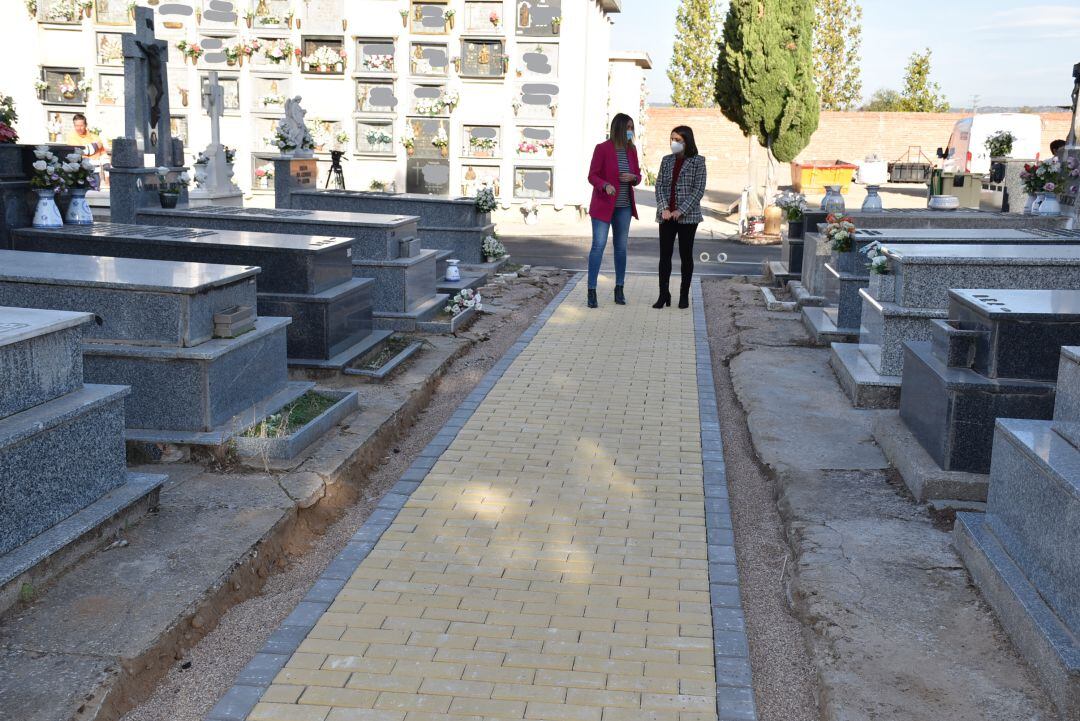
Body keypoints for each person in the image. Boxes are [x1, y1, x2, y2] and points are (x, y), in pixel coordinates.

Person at [586, 113, 641, 308]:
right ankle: (591, 290)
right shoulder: (602, 149)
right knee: (598, 246)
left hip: (624, 207)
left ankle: (619, 288)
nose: (630, 131)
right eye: (627, 127)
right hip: (603, 206)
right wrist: (605, 185)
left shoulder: (631, 150)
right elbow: (592, 176)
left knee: (621, 248)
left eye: (632, 128)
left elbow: (638, 175)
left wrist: (633, 178)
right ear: (618, 128)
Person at [652, 125, 706, 309]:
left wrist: (680, 210)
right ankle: (663, 294)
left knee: (686, 256)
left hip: (688, 217)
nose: (673, 143)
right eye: (672, 139)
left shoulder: (698, 161)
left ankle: (684, 295)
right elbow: (659, 185)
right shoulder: (666, 160)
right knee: (664, 256)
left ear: (687, 141)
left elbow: (698, 190)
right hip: (666, 216)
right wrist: (664, 208)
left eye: (678, 140)